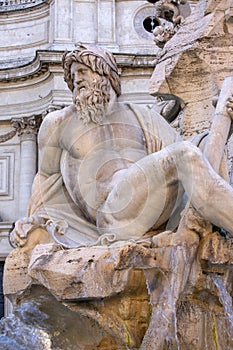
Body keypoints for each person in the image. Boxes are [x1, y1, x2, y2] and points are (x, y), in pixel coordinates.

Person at [11, 43, 233, 250]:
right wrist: (35, 218)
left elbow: (191, 153)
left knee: (195, 149)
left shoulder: (141, 116)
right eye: (73, 74)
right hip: (112, 215)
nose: (76, 78)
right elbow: (46, 177)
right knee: (185, 154)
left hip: (153, 206)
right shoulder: (59, 122)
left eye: (83, 71)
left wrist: (223, 126)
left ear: (105, 74)